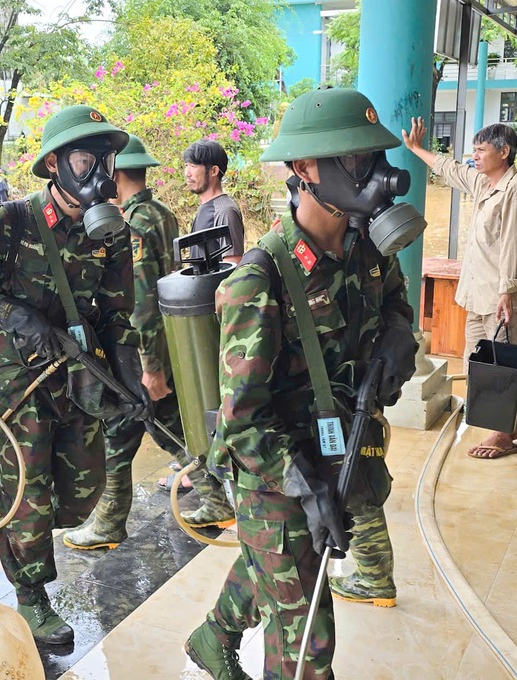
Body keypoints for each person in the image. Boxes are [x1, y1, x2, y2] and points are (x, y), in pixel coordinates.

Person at [186, 87, 416, 678]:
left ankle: (212, 636)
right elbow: (242, 423)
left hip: (338, 450)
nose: (378, 175)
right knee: (307, 643)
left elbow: (395, 305)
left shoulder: (368, 248)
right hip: (275, 472)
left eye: (373, 157)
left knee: (276, 564)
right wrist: (306, 488)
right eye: (357, 160)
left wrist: (398, 335)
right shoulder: (258, 280)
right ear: (304, 169)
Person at [0, 105, 149, 645]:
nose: (99, 173)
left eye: (106, 160)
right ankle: (31, 594)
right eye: (86, 159)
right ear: (53, 166)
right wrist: (16, 317)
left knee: (79, 487)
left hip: (76, 370)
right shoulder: (12, 221)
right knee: (27, 489)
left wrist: (132, 381)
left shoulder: (111, 234)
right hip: (15, 379)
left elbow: (117, 314)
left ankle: (38, 558)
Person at [62, 133, 231, 550]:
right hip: (165, 342)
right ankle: (211, 496)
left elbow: (141, 300)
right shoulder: (162, 214)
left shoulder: (133, 224)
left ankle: (111, 522)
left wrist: (150, 366)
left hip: (142, 350)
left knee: (133, 428)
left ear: (114, 173)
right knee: (154, 427)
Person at [402, 118, 517, 459]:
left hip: (499, 297)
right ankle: (499, 422)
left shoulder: (512, 190)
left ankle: (503, 433)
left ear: (504, 152)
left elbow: (512, 244)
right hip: (475, 293)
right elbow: (449, 169)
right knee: (476, 362)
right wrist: (416, 148)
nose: (475, 156)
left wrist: (507, 292)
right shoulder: (484, 183)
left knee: (504, 364)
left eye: (481, 150)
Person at [184, 140, 245, 265]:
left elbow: (233, 267)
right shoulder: (204, 207)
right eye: (186, 165)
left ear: (214, 171)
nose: (187, 173)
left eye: (193, 166)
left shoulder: (225, 211)